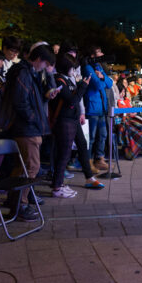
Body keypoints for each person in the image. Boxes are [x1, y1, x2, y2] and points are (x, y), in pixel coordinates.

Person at [6, 45, 57, 220]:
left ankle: (15, 202)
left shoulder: (26, 72)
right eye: (45, 64)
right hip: (27, 129)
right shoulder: (24, 73)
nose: (45, 68)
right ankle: (20, 205)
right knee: (31, 167)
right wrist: (34, 118)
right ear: (39, 59)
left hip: (27, 127)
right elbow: (21, 102)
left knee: (23, 166)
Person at [49, 53, 103, 197]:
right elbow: (72, 101)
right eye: (73, 68)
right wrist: (83, 86)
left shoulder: (68, 79)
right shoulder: (59, 80)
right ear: (67, 67)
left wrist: (80, 85)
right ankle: (57, 186)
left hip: (72, 119)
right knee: (64, 153)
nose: (74, 71)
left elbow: (75, 99)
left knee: (82, 145)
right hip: (64, 120)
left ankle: (89, 177)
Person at [82, 46, 113, 171]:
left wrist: (102, 77)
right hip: (92, 107)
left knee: (103, 134)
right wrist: (102, 79)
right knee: (91, 137)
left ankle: (99, 158)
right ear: (93, 55)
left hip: (102, 107)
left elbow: (110, 84)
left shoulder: (98, 67)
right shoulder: (87, 68)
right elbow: (98, 85)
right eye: (100, 52)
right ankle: (88, 161)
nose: (102, 54)